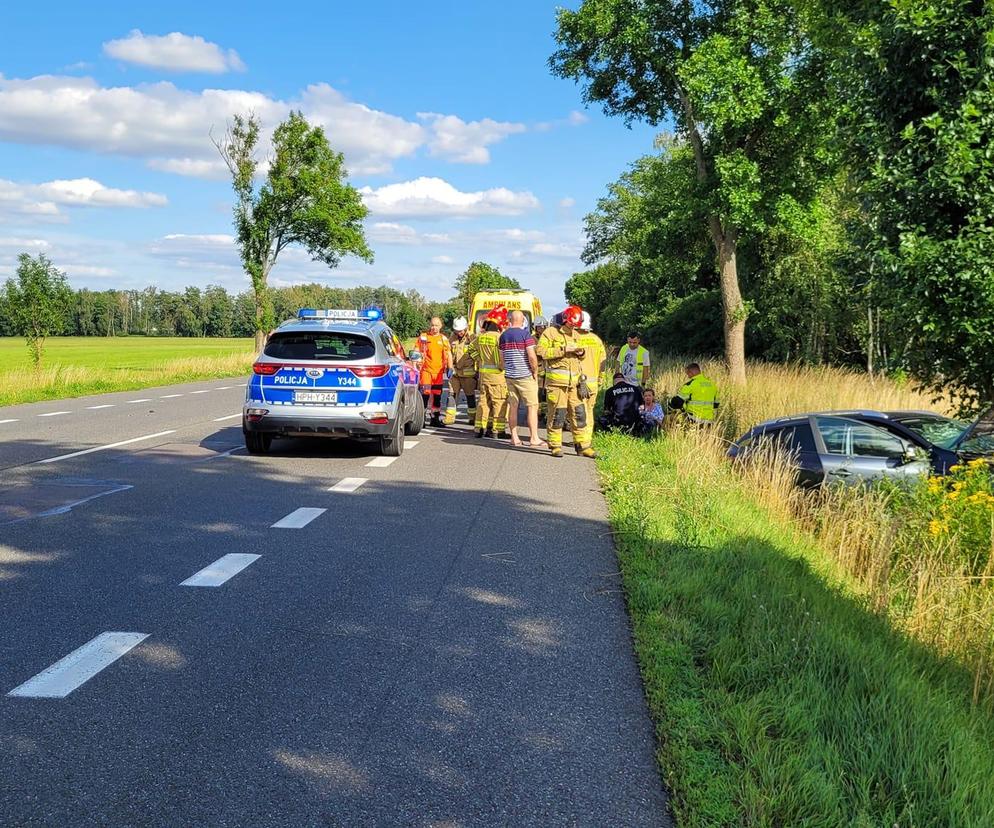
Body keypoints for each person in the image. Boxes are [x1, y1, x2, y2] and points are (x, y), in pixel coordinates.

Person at [536, 304, 595, 458]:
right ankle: (555, 445)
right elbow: (540, 352)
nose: (573, 326)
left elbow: (582, 355)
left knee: (579, 415)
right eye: (571, 323)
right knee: (557, 414)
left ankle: (583, 446)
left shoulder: (576, 334)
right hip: (557, 385)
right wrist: (563, 350)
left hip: (574, 384)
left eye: (575, 325)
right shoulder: (550, 333)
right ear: (565, 319)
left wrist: (581, 352)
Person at [500, 310, 545, 448]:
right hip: (525, 375)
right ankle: (534, 438)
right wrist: (535, 371)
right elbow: (531, 357)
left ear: (510, 320)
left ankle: (514, 438)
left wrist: (506, 369)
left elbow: (501, 359)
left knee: (513, 406)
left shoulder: (503, 336)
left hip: (510, 376)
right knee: (532, 406)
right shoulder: (525, 335)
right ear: (523, 320)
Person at [469, 309, 508, 438]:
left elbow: (470, 349)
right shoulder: (500, 338)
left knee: (483, 402)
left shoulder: (481, 337)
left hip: (484, 375)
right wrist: (502, 367)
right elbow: (501, 357)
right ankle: (497, 431)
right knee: (499, 403)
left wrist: (479, 359)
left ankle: (479, 428)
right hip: (497, 376)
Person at [575, 311, 607, 450]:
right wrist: (600, 378)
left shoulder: (574, 339)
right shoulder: (597, 340)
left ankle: (580, 441)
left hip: (578, 383)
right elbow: (603, 364)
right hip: (593, 383)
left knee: (578, 412)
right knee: (589, 411)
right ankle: (587, 441)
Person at [416, 316, 451, 427]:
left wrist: (450, 367)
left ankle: (435, 418)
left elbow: (448, 353)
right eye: (432, 325)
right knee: (425, 395)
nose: (434, 327)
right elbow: (416, 351)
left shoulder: (443, 339)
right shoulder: (424, 337)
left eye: (436, 325)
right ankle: (421, 419)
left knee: (437, 396)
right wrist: (416, 363)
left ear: (440, 326)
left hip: (438, 373)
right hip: (426, 371)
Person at [444, 316, 476, 425]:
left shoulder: (472, 338)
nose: (459, 333)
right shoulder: (452, 338)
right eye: (457, 331)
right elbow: (448, 353)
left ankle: (473, 418)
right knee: (451, 394)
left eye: (461, 330)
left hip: (468, 373)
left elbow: (477, 354)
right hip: (455, 373)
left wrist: (478, 371)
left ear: (466, 328)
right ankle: (449, 418)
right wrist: (449, 367)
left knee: (470, 396)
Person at [533, 316, 549, 422]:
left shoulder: (548, 337)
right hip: (537, 369)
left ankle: (544, 412)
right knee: (537, 392)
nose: (541, 329)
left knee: (546, 393)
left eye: (543, 327)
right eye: (539, 327)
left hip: (547, 369)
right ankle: (537, 412)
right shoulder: (532, 339)